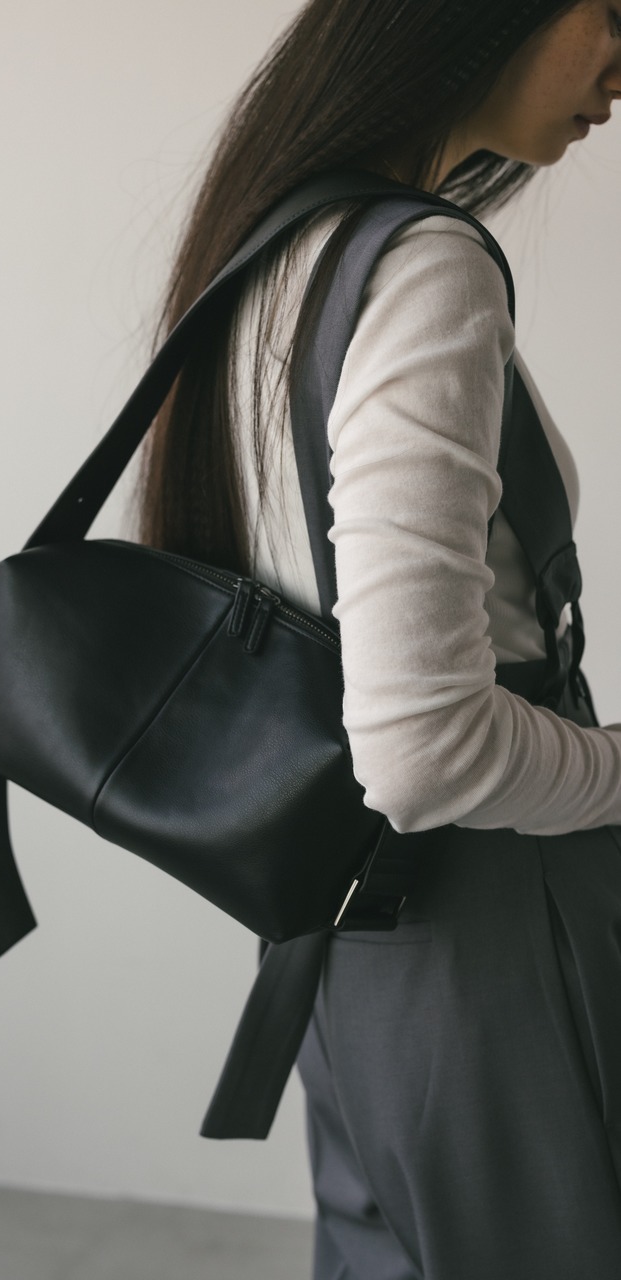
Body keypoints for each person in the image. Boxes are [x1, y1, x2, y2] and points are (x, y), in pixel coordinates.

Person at [135, 2, 621, 1277]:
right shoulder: (420, 264)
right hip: (483, 913)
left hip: (335, 915)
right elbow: (423, 749)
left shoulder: (278, 236)